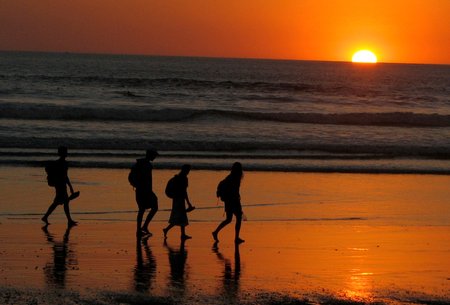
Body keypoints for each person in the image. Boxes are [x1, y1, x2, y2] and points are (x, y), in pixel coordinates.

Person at [42, 146, 78, 226]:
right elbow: (65, 176)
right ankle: (69, 220)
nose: (67, 153)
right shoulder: (63, 164)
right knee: (62, 202)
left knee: (59, 202)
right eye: (65, 152)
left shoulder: (58, 163)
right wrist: (70, 187)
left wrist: (70, 187)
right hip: (61, 185)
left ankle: (46, 217)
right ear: (63, 153)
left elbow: (65, 176)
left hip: (60, 184)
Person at [212, 162, 245, 244]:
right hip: (233, 201)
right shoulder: (234, 177)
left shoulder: (230, 177)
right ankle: (236, 238)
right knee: (238, 218)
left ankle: (216, 232)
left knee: (229, 219)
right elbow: (234, 190)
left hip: (229, 201)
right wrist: (237, 197)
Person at [163, 164, 195, 240]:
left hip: (176, 198)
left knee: (180, 217)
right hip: (180, 199)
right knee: (180, 216)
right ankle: (168, 230)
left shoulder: (177, 177)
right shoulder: (184, 178)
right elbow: (184, 192)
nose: (188, 172)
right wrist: (188, 203)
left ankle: (181, 234)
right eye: (188, 170)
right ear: (185, 170)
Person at [133, 149, 159, 237]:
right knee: (154, 207)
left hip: (140, 190)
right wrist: (148, 190)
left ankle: (140, 229)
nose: (155, 157)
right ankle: (143, 227)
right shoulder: (147, 165)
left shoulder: (139, 163)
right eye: (154, 156)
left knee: (141, 210)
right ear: (150, 155)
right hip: (145, 190)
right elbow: (146, 179)